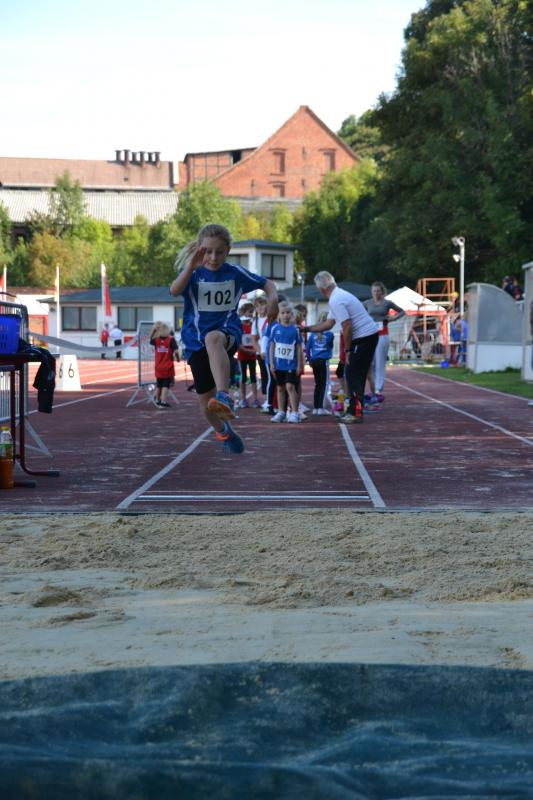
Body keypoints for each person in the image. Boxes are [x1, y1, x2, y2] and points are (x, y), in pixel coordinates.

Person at [169, 223, 278, 454]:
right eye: (208, 252)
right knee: (205, 406)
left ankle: (224, 395)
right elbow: (174, 291)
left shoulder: (234, 273)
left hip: (227, 331)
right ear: (200, 249)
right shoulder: (193, 274)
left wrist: (273, 299)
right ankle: (224, 432)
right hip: (195, 342)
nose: (213, 257)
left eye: (219, 252)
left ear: (227, 251)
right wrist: (190, 266)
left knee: (213, 338)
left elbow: (267, 284)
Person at [307, 271, 379, 423]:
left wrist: (347, 350)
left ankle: (355, 413)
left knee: (353, 375)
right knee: (352, 374)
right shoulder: (338, 295)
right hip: (367, 336)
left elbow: (347, 326)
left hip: (364, 338)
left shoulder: (336, 300)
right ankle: (353, 410)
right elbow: (329, 323)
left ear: (321, 289)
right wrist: (306, 329)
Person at [363, 281, 405, 403]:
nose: (376, 293)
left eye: (378, 291)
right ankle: (372, 387)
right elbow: (358, 311)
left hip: (382, 334)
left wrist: (394, 318)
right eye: (374, 291)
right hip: (370, 334)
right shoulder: (367, 303)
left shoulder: (387, 303)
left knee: (380, 362)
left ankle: (378, 389)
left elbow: (402, 311)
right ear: (372, 292)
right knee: (370, 363)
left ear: (382, 292)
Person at [269, 301, 304, 423]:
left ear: (292, 314)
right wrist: (271, 363)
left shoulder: (295, 330)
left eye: (288, 312)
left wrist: (299, 365)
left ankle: (294, 412)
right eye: (283, 313)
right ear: (279, 315)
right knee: (280, 388)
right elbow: (272, 346)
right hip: (278, 365)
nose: (285, 315)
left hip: (291, 365)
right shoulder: (275, 329)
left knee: (290, 386)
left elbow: (299, 348)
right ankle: (281, 412)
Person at [306, 318, 334, 415]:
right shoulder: (330, 334)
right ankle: (321, 407)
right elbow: (331, 346)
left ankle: (316, 407)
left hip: (314, 361)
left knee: (318, 384)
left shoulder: (312, 335)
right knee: (324, 384)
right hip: (323, 361)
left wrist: (309, 360)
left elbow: (307, 348)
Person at [149, 321, 179, 408]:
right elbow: (176, 351)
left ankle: (157, 400)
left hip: (158, 365)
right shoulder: (171, 340)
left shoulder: (156, 340)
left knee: (159, 384)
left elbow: (150, 339)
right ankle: (163, 401)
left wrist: (154, 330)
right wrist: (178, 358)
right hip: (167, 366)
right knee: (166, 385)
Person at [237, 302, 259, 408]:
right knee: (243, 377)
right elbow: (238, 342)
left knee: (253, 377)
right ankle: (243, 399)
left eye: (252, 312)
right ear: (244, 312)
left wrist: (254, 350)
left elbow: (257, 339)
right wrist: (245, 350)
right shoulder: (239, 326)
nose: (251, 314)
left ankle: (255, 399)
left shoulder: (253, 325)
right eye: (250, 312)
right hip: (242, 355)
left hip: (252, 355)